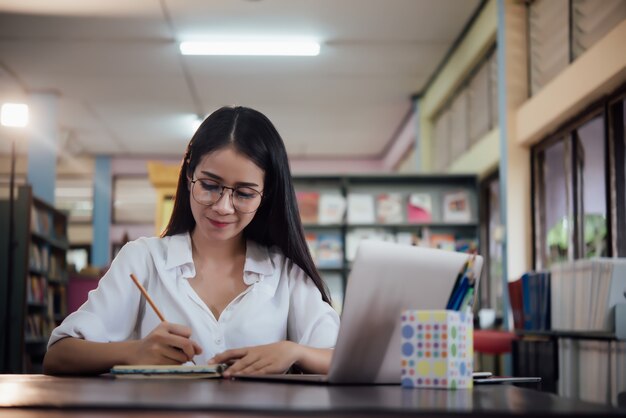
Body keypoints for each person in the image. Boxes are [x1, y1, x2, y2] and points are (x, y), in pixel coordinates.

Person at [43, 106, 340, 376]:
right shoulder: (143, 260)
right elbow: (59, 354)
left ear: (266, 196)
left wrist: (294, 351)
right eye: (210, 185)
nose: (223, 206)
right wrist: (135, 351)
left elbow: (342, 359)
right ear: (188, 175)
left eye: (244, 193)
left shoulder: (285, 274)